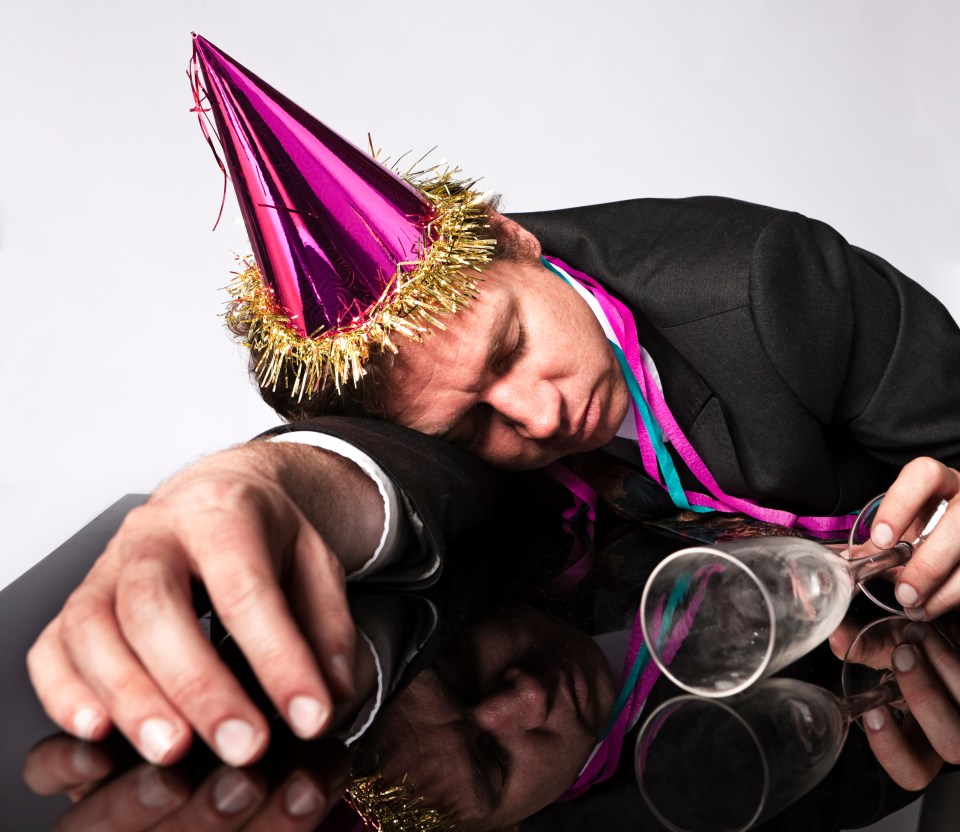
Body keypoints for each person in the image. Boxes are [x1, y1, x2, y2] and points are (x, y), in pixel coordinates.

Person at [27, 33, 960, 822]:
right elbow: (375, 473)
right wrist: (242, 485)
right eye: (473, 421)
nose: (540, 415)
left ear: (511, 242)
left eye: (512, 346)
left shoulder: (769, 284)